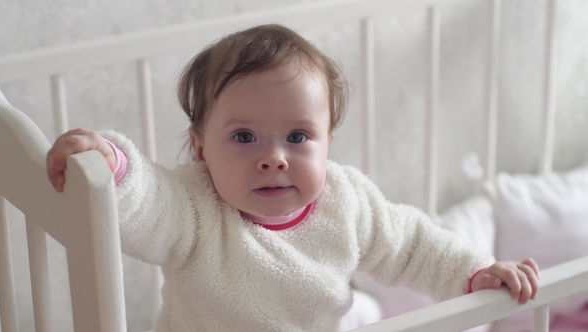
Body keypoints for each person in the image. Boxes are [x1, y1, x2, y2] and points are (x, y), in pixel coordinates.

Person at [46, 24, 540, 332]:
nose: (275, 158)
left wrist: (474, 272)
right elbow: (148, 202)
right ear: (200, 150)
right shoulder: (194, 208)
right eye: (244, 137)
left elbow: (413, 244)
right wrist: (113, 165)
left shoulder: (346, 203)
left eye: (299, 137)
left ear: (328, 142)